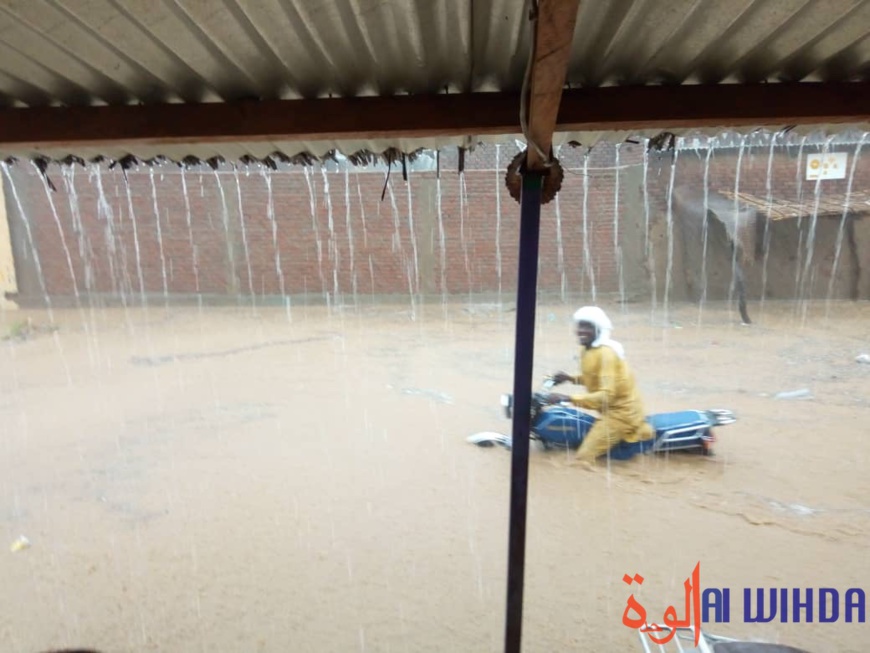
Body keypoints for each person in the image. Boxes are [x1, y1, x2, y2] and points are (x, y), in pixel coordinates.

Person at [547, 305, 654, 468]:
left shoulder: (606, 354)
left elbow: (606, 396)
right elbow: (593, 378)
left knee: (582, 459)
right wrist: (569, 378)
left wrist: (568, 398)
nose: (582, 330)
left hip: (621, 414)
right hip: (608, 410)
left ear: (599, 329)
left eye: (588, 326)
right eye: (580, 325)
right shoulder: (586, 349)